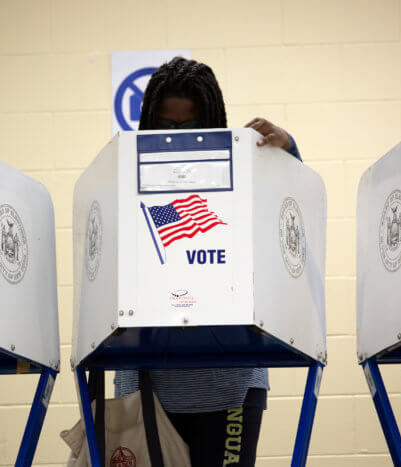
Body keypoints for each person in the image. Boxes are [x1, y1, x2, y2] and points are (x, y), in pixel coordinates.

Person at [114, 57, 302, 467]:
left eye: (192, 126)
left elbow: (289, 222)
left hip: (230, 383)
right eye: (166, 126)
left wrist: (288, 154)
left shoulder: (243, 171)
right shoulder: (124, 174)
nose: (179, 137)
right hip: (145, 384)